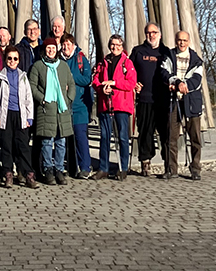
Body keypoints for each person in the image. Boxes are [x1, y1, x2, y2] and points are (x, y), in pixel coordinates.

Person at [0, 45, 39, 188]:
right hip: (5, 114)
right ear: (5, 59)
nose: (12, 61)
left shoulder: (23, 76)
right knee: (6, 145)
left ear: (18, 61)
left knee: (23, 145)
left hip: (21, 114)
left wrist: (30, 117)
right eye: (9, 58)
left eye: (15, 59)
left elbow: (28, 97)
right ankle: (8, 174)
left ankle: (28, 174)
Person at [28, 35, 75, 184]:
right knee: (47, 142)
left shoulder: (63, 66)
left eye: (53, 48)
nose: (51, 51)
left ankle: (59, 170)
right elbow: (32, 85)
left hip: (62, 110)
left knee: (61, 142)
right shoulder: (38, 66)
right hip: (46, 109)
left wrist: (68, 100)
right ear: (44, 49)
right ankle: (48, 169)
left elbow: (72, 84)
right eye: (48, 48)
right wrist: (42, 99)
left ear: (57, 50)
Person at [92, 32, 137, 180]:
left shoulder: (127, 63)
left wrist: (114, 84)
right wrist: (102, 88)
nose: (115, 47)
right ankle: (103, 168)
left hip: (121, 105)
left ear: (122, 46)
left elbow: (131, 83)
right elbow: (96, 81)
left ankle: (123, 167)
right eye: (113, 45)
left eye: (118, 45)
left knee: (122, 137)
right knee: (104, 137)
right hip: (106, 104)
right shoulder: (103, 62)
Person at [161, 30, 204, 181]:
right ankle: (171, 168)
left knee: (195, 137)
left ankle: (195, 168)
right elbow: (163, 72)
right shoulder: (169, 56)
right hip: (173, 101)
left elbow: (197, 80)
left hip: (191, 102)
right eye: (179, 40)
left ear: (189, 41)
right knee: (171, 136)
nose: (182, 43)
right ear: (175, 40)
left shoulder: (196, 60)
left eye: (185, 40)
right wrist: (176, 82)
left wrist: (183, 85)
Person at [130, 21, 171, 176]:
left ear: (159, 34)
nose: (151, 35)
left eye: (154, 32)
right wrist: (134, 83)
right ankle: (145, 162)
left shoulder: (166, 52)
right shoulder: (138, 51)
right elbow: (128, 71)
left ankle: (168, 163)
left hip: (162, 100)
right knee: (145, 132)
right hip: (144, 99)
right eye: (148, 33)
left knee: (164, 133)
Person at [60, 32, 93, 178]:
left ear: (73, 45)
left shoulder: (81, 59)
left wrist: (71, 78)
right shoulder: (58, 60)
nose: (66, 47)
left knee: (80, 136)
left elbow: (87, 79)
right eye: (64, 44)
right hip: (64, 105)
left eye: (68, 44)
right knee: (67, 138)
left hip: (80, 105)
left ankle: (85, 166)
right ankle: (72, 168)